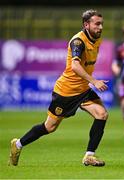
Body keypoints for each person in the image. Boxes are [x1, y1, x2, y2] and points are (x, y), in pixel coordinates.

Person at [9, 9, 108, 167]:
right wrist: (94, 81)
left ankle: (89, 156)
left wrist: (88, 83)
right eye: (97, 24)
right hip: (66, 92)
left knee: (102, 114)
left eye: (101, 24)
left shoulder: (97, 40)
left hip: (82, 90)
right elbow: (75, 66)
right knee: (50, 127)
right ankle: (18, 144)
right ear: (86, 25)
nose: (100, 27)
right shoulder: (78, 41)